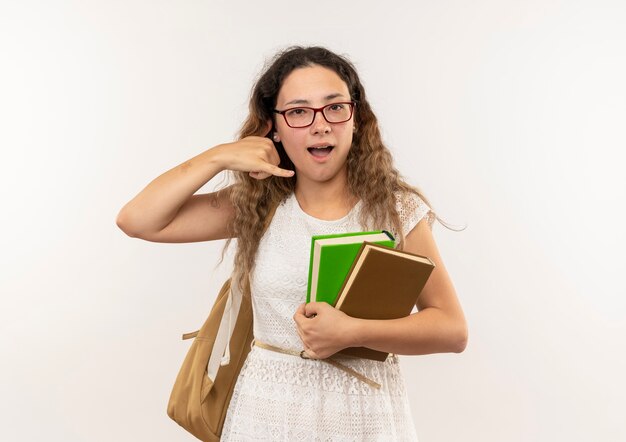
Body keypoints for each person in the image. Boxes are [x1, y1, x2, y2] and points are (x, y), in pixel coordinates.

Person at [117, 45, 467, 441]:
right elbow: (137, 220)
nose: (321, 125)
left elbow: (451, 329)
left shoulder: (396, 210)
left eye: (335, 107)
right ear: (274, 128)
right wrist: (218, 157)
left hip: (365, 416)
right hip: (266, 411)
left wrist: (353, 331)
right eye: (299, 111)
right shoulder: (257, 204)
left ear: (357, 118)